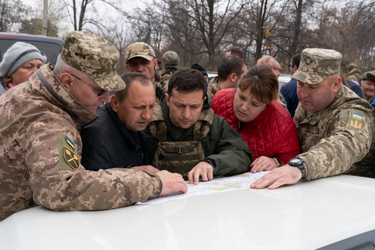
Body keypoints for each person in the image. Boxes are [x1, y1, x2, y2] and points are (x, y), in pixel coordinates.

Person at [0, 31, 187, 222]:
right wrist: (152, 184)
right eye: (99, 90)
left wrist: (129, 174)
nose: (106, 98)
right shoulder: (50, 121)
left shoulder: (28, 93)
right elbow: (63, 188)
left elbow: (69, 174)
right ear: (67, 81)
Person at [251, 48, 375, 190]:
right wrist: (277, 161)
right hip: (306, 192)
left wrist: (300, 165)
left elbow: (345, 144)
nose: (303, 93)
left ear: (335, 84)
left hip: (349, 196)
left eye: (313, 87)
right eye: (300, 84)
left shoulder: (355, 112)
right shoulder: (309, 103)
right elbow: (293, 142)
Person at [145, 68, 253, 184]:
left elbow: (242, 153)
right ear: (167, 99)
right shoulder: (148, 122)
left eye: (194, 106)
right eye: (179, 105)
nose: (186, 115)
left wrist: (212, 163)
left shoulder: (213, 124)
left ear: (203, 101)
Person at [211, 65, 300, 172]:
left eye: (255, 104)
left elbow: (293, 162)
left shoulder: (283, 124)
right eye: (241, 97)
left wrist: (276, 162)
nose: (243, 107)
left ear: (267, 105)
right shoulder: (218, 100)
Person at [81, 72, 158, 172]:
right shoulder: (97, 137)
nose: (147, 116)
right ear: (115, 103)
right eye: (139, 107)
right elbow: (92, 184)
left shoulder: (133, 124)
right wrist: (134, 174)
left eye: (151, 106)